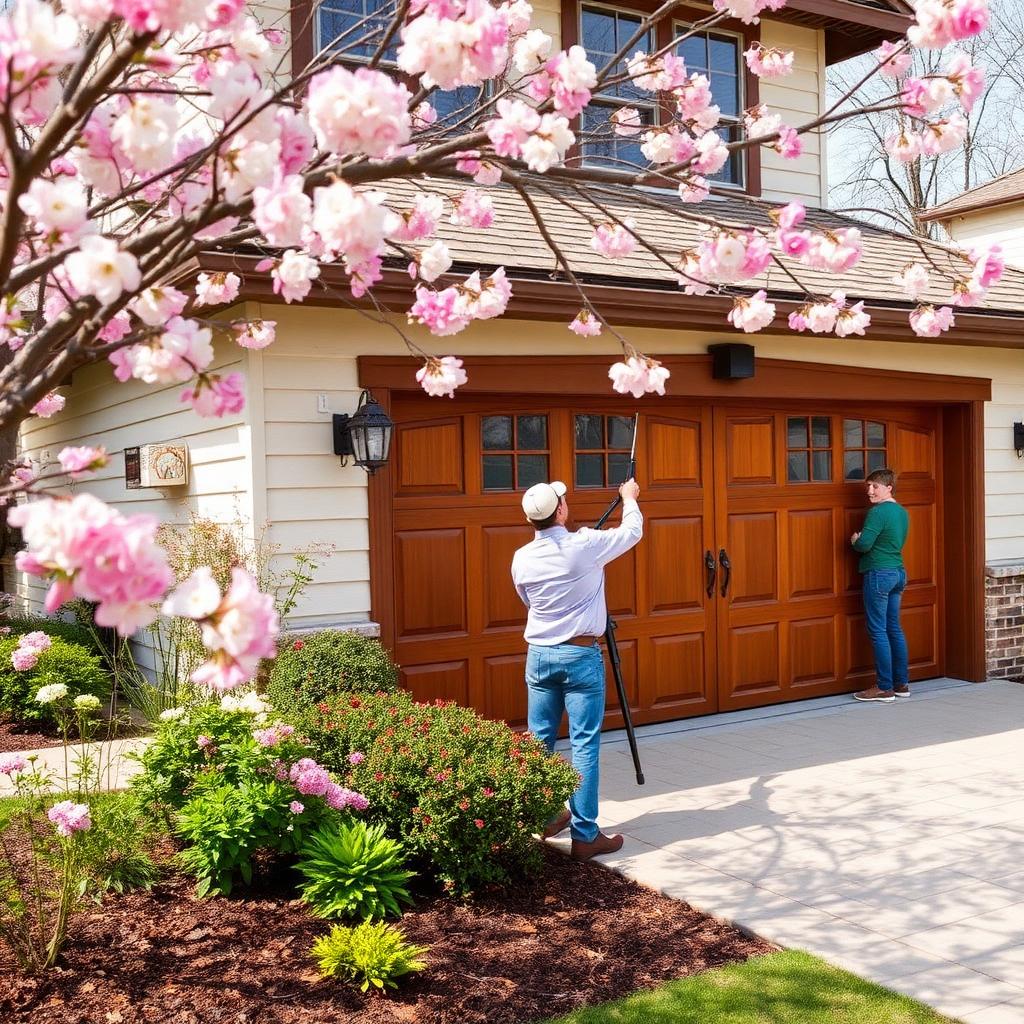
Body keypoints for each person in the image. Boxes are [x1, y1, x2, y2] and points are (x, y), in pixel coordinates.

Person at [511, 477, 643, 861]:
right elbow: (632, 531)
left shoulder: (521, 558)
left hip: (539, 655)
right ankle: (585, 836)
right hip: (580, 656)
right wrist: (628, 498)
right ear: (561, 510)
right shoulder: (586, 544)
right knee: (584, 744)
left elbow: (527, 600)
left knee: (539, 743)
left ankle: (548, 815)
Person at [850, 467, 910, 703]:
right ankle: (901, 684)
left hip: (879, 573)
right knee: (894, 628)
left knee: (878, 630)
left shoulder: (878, 512)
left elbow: (864, 545)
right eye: (868, 486)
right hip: (898, 572)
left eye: (875, 486)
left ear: (888, 488)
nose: (869, 491)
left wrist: (856, 540)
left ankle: (884, 688)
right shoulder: (901, 512)